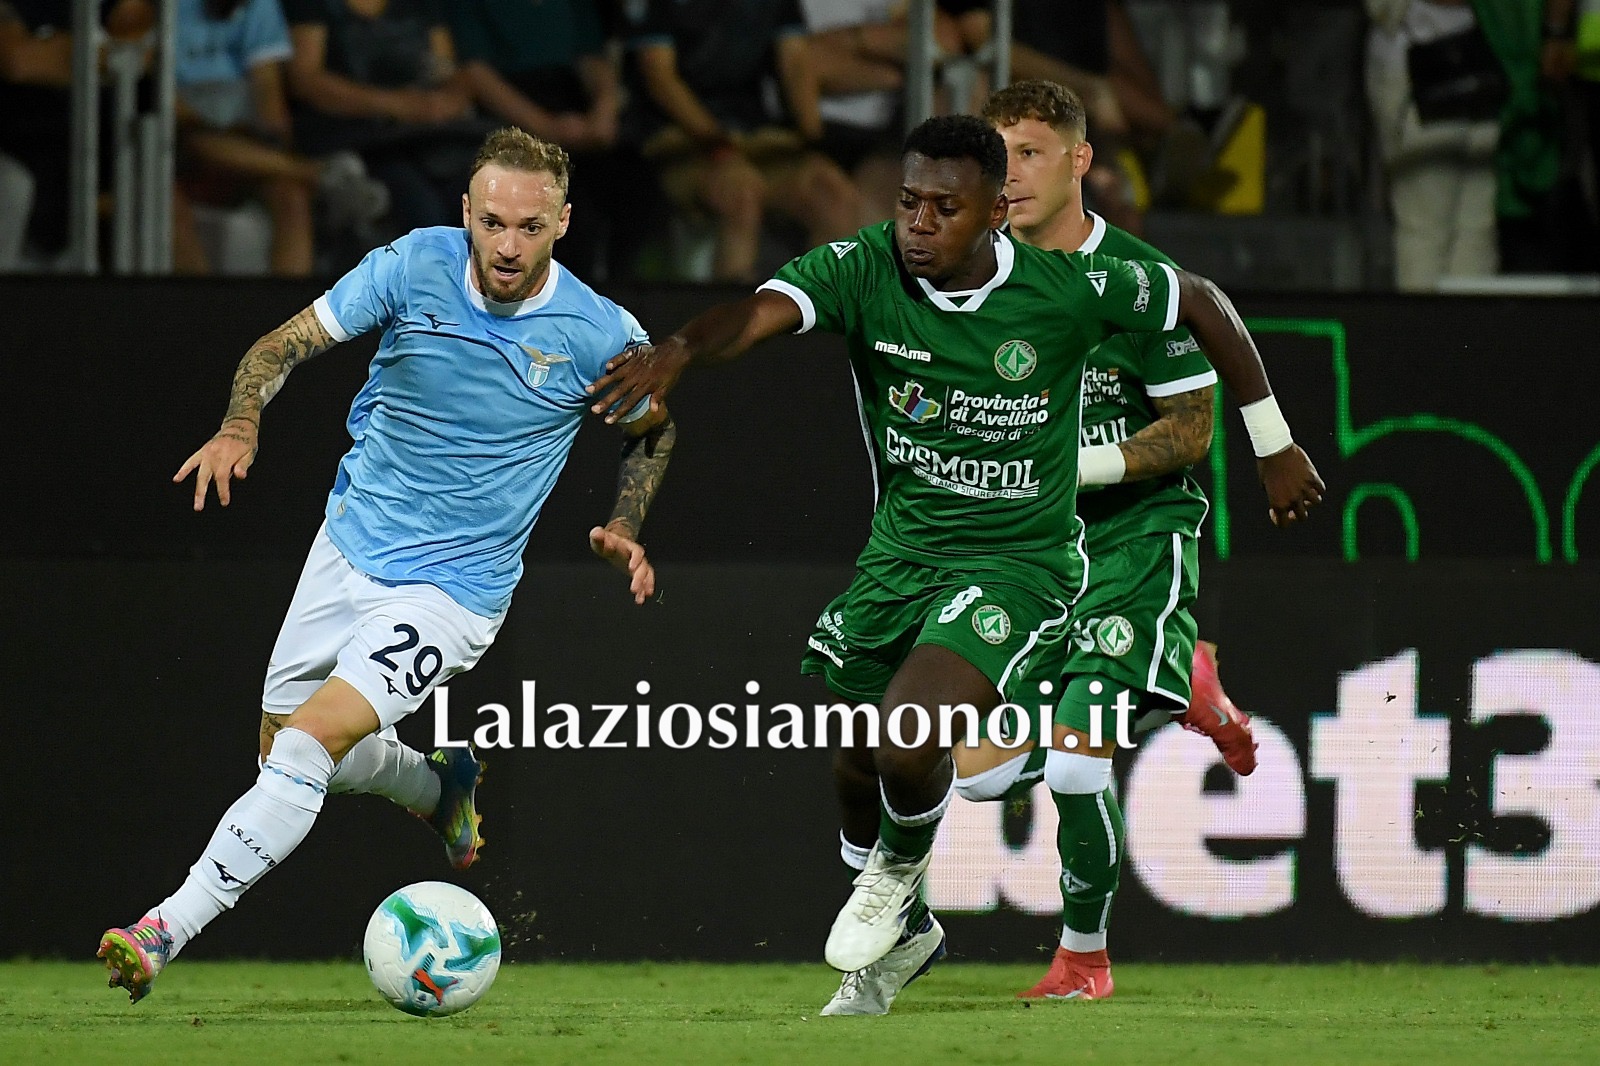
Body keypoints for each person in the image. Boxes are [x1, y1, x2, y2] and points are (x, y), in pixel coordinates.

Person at [587, 115, 1325, 1015]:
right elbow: (758, 313)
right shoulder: (865, 268)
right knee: (861, 758)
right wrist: (680, 349)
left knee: (911, 733)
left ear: (994, 214)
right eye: (909, 203)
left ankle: (903, 874)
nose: (919, 224)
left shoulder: (1068, 288)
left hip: (1020, 561)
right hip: (901, 556)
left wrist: (1273, 442)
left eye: (945, 208)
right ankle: (907, 933)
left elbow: (1202, 301)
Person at [98, 127, 675, 1003]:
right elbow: (280, 345)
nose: (507, 246)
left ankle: (163, 929)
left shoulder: (600, 333)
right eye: (491, 223)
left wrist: (626, 523)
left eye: (529, 227)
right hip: (347, 545)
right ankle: (435, 786)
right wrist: (241, 424)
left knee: (308, 743)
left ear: (561, 223)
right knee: (284, 751)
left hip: (454, 589)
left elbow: (653, 430)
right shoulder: (411, 265)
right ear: (466, 212)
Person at [931, 79, 1316, 1007]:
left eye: (1029, 153)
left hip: (1140, 537)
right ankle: (1183, 683)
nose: (1010, 174)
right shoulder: (975, 281)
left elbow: (1190, 431)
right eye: (997, 156)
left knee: (1074, 762)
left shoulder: (1136, 279)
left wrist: (1079, 465)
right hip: (1039, 553)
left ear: (1080, 160)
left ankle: (1083, 960)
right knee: (977, 779)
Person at [618, 0, 862, 282]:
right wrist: (718, 143)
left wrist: (815, 141)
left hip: (753, 136)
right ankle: (736, 305)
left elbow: (795, 62)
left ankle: (824, 303)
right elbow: (659, 77)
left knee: (831, 193)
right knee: (741, 193)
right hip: (676, 140)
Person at [172, 0, 390, 276]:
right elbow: (160, 98)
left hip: (247, 143)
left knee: (291, 197)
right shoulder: (164, 9)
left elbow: (268, 89)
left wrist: (273, 140)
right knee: (196, 151)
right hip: (181, 143)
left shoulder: (259, 5)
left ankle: (291, 305)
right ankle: (320, 175)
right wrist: (214, 128)